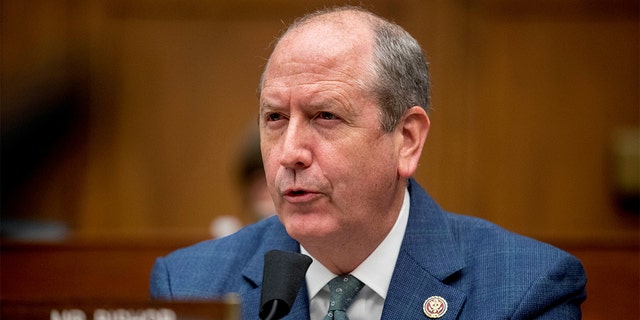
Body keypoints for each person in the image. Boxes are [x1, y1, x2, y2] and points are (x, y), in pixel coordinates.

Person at [150, 6, 586, 319]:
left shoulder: (525, 290)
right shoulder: (190, 285)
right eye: (275, 118)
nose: (289, 153)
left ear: (407, 139)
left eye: (326, 116)